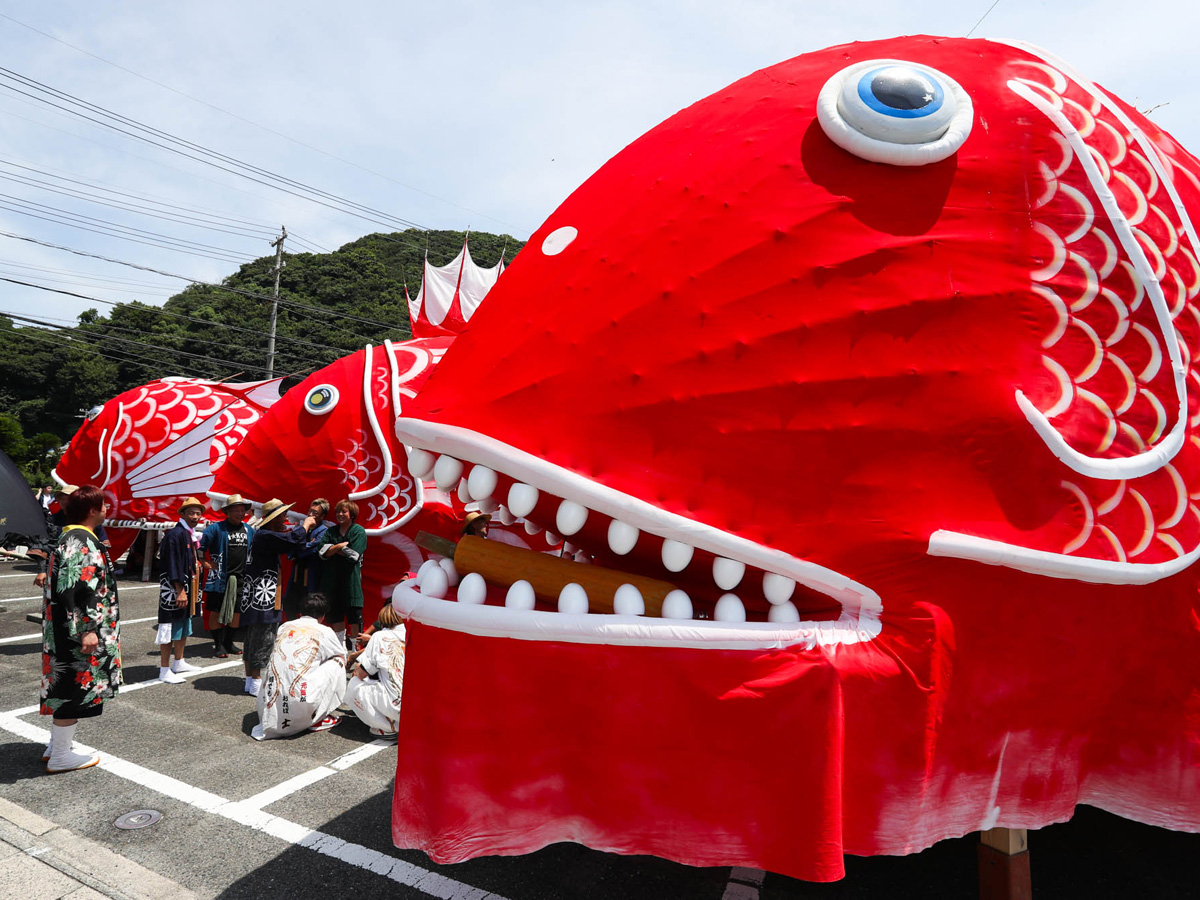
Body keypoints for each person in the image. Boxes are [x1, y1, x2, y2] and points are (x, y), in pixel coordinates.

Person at [40, 484, 121, 773]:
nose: (106, 509)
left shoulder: (71, 537)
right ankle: (61, 754)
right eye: (103, 505)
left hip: (64, 629)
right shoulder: (81, 541)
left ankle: (57, 746)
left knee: (66, 686)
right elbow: (76, 588)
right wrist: (87, 628)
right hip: (76, 631)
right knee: (73, 687)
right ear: (92, 510)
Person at [239, 499, 317, 697]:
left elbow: (291, 544)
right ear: (273, 518)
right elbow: (292, 540)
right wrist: (306, 525)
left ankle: (250, 679)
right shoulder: (265, 535)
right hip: (262, 594)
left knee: (253, 636)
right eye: (282, 515)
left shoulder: (264, 535)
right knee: (263, 637)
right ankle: (256, 680)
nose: (285, 519)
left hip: (256, 592)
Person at [253, 591, 347, 740]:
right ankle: (317, 716)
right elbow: (341, 655)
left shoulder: (285, 626)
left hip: (271, 703)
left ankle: (299, 713)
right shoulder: (325, 630)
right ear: (323, 616)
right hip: (301, 698)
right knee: (339, 661)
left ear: (300, 612)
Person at [155, 497, 205, 684]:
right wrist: (179, 589)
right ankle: (164, 668)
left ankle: (179, 661)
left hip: (184, 585)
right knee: (169, 626)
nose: (195, 516)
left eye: (198, 513)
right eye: (191, 512)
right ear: (182, 514)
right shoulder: (175, 534)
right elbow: (172, 563)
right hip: (174, 588)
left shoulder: (186, 533)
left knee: (184, 622)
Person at [199, 494, 253, 658]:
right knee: (215, 611)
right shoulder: (216, 528)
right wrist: (204, 561)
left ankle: (229, 642)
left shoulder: (249, 530)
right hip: (219, 578)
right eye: (236, 510)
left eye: (242, 510)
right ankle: (218, 644)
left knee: (236, 613)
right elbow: (200, 546)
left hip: (241, 579)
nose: (240, 513)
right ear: (227, 512)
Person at [344, 601, 406, 739]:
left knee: (355, 683)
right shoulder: (413, 634)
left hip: (398, 705)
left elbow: (361, 673)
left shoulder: (379, 637)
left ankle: (388, 727)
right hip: (419, 704)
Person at [318, 499, 367, 647]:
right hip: (332, 582)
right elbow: (321, 552)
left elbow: (354, 556)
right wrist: (341, 546)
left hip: (351, 582)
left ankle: (355, 652)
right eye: (338, 511)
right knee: (335, 616)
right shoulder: (331, 531)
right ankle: (340, 650)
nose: (340, 514)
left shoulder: (358, 531)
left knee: (354, 618)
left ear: (351, 514)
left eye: (344, 511)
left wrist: (333, 549)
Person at [282, 498, 330, 619]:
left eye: (315, 513)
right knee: (289, 604)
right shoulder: (302, 527)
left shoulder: (324, 531)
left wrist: (301, 546)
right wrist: (302, 543)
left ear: (322, 516)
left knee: (310, 604)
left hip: (312, 570)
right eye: (310, 511)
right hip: (297, 571)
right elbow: (292, 543)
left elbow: (313, 548)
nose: (311, 515)